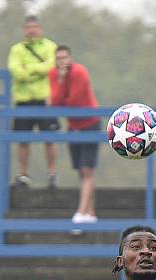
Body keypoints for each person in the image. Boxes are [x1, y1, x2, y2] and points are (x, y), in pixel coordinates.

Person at [49, 46, 100, 225]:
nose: (62, 61)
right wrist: (61, 81)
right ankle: (90, 211)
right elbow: (55, 103)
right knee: (81, 169)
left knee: (87, 169)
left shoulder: (80, 72)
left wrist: (63, 91)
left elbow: (75, 100)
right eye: (58, 58)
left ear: (70, 58)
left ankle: (81, 212)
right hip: (73, 125)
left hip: (90, 123)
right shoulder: (53, 74)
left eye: (65, 57)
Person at [7, 15, 58, 188]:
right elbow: (16, 72)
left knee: (50, 138)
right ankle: (23, 175)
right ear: (24, 29)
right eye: (28, 27)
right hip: (23, 99)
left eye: (34, 27)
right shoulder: (16, 50)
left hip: (44, 98)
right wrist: (38, 71)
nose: (31, 30)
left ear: (40, 28)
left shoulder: (51, 47)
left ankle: (52, 174)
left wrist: (29, 69)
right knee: (23, 139)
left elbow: (52, 67)